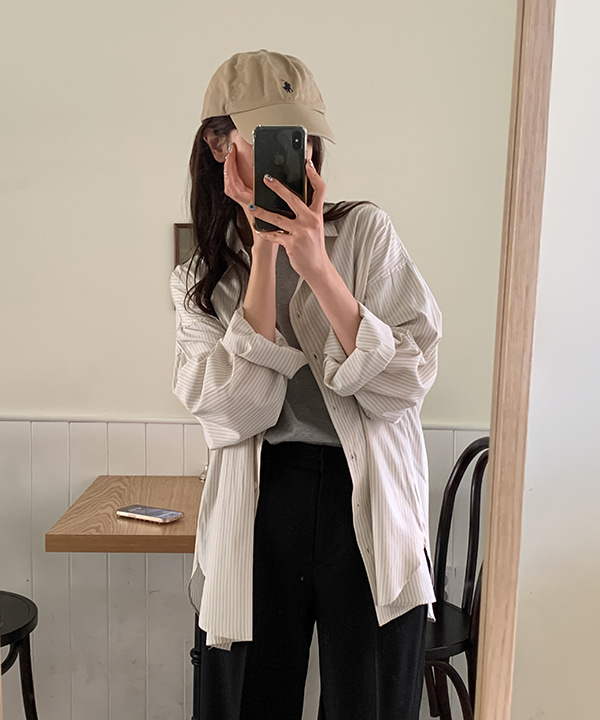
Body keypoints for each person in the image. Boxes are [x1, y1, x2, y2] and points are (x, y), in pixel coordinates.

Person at [170, 49, 442, 720]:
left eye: (302, 137)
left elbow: (405, 385)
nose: (295, 155)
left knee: (368, 703)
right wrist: (264, 250)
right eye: (269, 136)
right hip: (261, 502)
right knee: (251, 702)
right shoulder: (200, 280)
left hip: (366, 498)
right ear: (219, 144)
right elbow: (237, 412)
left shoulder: (366, 235)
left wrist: (319, 266)